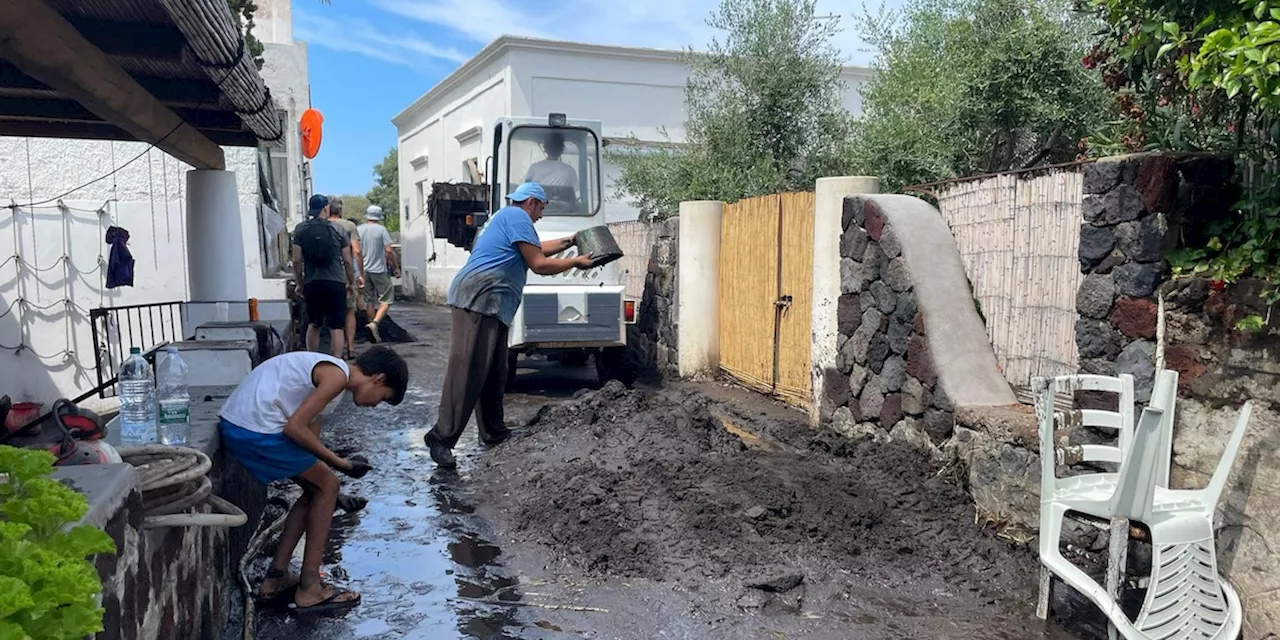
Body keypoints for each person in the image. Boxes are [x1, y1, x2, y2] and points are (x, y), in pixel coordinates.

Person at [218, 345, 408, 615]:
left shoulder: (333, 385)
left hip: (243, 425)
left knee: (318, 489)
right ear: (378, 379)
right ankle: (310, 587)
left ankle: (275, 578)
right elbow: (294, 429)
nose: (375, 405)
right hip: (253, 429)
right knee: (328, 485)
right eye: (382, 398)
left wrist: (329, 487)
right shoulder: (336, 376)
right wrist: (342, 464)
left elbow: (309, 443)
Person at [423, 182, 595, 469]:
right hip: (478, 298)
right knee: (467, 370)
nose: (540, 214)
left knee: (493, 369)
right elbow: (538, 263)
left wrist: (571, 241)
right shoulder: (517, 217)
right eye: (541, 207)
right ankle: (441, 437)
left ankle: (493, 430)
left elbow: (535, 249)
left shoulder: (507, 217)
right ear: (531, 202)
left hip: (491, 302)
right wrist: (575, 262)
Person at [292, 194, 357, 358]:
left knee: (314, 324)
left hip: (312, 282)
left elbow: (296, 260)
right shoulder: (338, 229)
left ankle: (311, 360)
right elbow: (348, 261)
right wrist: (351, 283)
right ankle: (336, 362)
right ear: (325, 208)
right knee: (336, 326)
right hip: (335, 282)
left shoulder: (301, 229)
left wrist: (300, 283)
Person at [357, 205, 400, 343]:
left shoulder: (359, 229)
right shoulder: (381, 230)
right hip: (379, 270)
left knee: (369, 300)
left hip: (364, 271)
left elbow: (355, 250)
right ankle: (374, 323)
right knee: (387, 299)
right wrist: (396, 267)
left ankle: (372, 331)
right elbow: (388, 250)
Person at [328, 196, 364, 359]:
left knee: (334, 312)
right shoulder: (349, 226)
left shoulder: (324, 225)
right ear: (340, 210)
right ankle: (351, 348)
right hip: (345, 272)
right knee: (350, 311)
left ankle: (337, 349)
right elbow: (356, 251)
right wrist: (359, 274)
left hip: (328, 273)